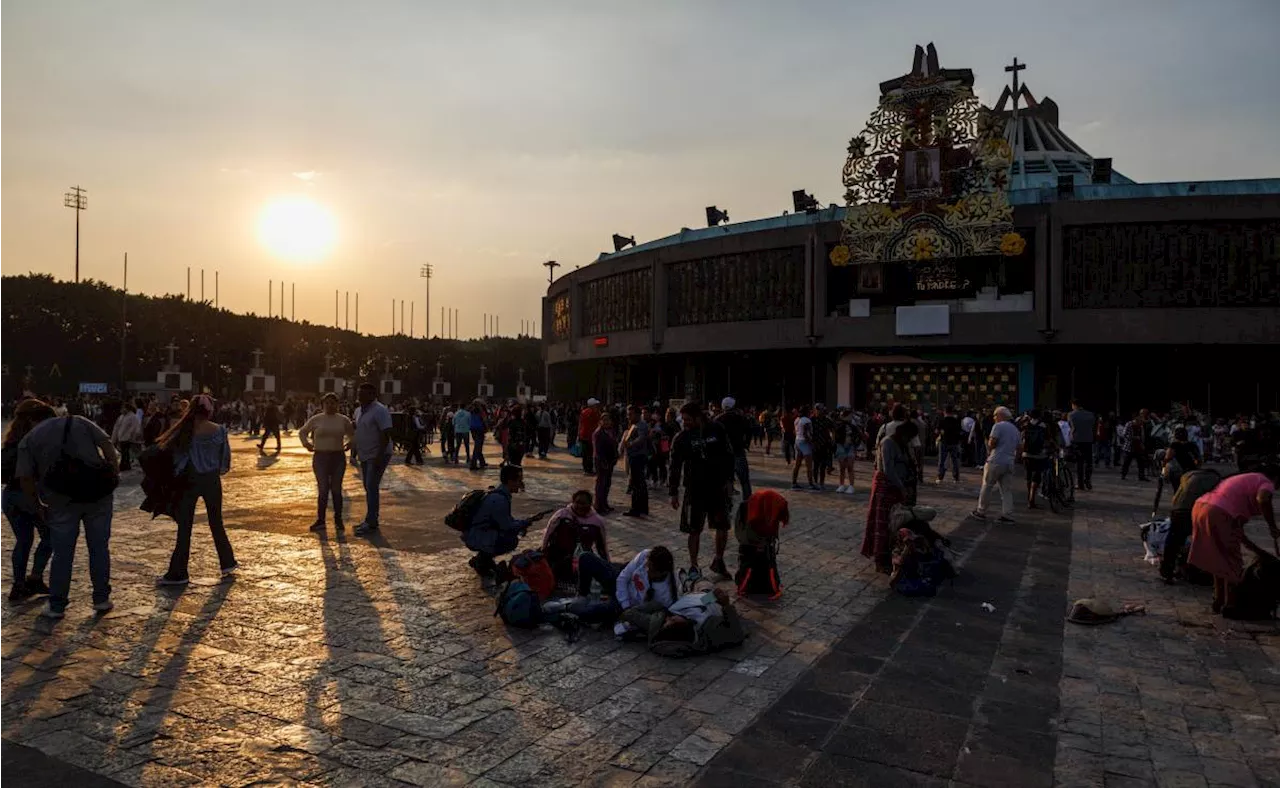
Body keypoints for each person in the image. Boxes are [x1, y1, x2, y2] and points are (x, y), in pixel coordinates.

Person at [16, 405, 119, 618]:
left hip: (60, 499)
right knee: (99, 548)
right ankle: (101, 598)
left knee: (62, 554)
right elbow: (107, 445)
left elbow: (25, 477)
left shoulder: (30, 438)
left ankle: (57, 605)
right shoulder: (80, 421)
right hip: (97, 494)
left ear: (32, 420)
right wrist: (111, 473)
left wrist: (37, 506)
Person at [154, 394, 237, 586]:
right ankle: (227, 562)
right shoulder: (220, 431)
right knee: (216, 522)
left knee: (185, 527)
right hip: (212, 480)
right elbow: (225, 460)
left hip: (189, 480)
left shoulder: (185, 429)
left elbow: (176, 457)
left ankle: (179, 572)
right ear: (209, 411)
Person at [1188, 466, 1280, 615]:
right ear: (1276, 478)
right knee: (1232, 561)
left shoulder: (1246, 481)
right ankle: (1230, 605)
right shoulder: (1266, 482)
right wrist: (1272, 526)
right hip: (1219, 512)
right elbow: (1263, 499)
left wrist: (1259, 552)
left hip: (1201, 507)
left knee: (1218, 558)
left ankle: (1218, 600)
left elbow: (1238, 534)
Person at [668, 401, 735, 582]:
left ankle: (718, 560)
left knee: (722, 526)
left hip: (717, 488)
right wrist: (673, 492)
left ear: (699, 417)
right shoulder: (681, 438)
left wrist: (730, 481)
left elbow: (728, 456)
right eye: (684, 419)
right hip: (694, 490)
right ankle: (694, 564)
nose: (686, 422)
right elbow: (674, 467)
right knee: (693, 529)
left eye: (688, 419)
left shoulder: (717, 429)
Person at [2, 400, 55, 602]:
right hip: (30, 495)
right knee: (50, 536)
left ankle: (18, 585)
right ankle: (35, 577)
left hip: (10, 496)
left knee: (23, 541)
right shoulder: (34, 442)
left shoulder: (11, 440)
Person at [464, 464, 547, 578]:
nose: (521, 484)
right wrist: (526, 523)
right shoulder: (500, 500)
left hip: (477, 533)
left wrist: (527, 521)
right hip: (478, 536)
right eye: (519, 480)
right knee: (510, 540)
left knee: (510, 534)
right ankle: (483, 560)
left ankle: (483, 558)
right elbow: (507, 526)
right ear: (510, 481)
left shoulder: (498, 494)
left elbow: (506, 521)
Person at [862, 420, 918, 573]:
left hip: (898, 488)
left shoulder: (902, 445)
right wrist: (901, 487)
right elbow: (888, 469)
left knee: (895, 524)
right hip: (886, 488)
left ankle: (891, 555)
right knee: (882, 525)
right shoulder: (887, 443)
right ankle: (880, 560)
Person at [299, 393, 355, 532]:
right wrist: (306, 444)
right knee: (323, 489)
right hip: (320, 457)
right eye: (328, 403)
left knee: (336, 489)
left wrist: (350, 444)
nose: (330, 406)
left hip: (338, 457)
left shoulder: (343, 420)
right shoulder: (316, 419)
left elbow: (352, 434)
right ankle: (321, 520)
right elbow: (303, 431)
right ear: (323, 405)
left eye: (333, 403)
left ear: (338, 404)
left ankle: (338, 519)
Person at [541, 490, 612, 596]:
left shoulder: (597, 521)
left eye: (584, 503)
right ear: (573, 502)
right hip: (559, 557)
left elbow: (601, 547)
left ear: (590, 504)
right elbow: (548, 535)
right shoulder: (562, 515)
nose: (580, 506)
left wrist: (607, 566)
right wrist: (544, 551)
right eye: (577, 502)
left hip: (582, 560)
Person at [1162, 467, 1221, 584]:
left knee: (1174, 540)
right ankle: (1193, 568)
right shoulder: (1216, 480)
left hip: (1177, 508)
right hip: (1194, 510)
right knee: (1201, 541)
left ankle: (1167, 569)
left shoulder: (1188, 474)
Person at [613, 546, 680, 637]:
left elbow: (646, 612)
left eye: (651, 569)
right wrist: (625, 604)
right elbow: (622, 578)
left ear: (663, 573)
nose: (647, 570)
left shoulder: (665, 595)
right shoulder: (644, 556)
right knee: (590, 559)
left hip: (630, 608)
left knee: (595, 611)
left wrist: (629, 613)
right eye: (647, 565)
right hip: (622, 593)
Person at [354, 383, 393, 536]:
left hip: (377, 454)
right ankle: (371, 518)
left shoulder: (380, 410)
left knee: (371, 486)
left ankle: (371, 521)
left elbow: (386, 433)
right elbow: (359, 430)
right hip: (364, 454)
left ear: (372, 394)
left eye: (363, 394)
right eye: (359, 393)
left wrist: (378, 456)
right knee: (368, 486)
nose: (359, 396)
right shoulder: (358, 411)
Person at [973, 406, 1019, 523]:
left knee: (987, 486)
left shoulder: (998, 426)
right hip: (1009, 461)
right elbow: (1020, 446)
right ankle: (1008, 514)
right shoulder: (1015, 429)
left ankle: (981, 511)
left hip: (996, 460)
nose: (994, 418)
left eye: (995, 415)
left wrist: (989, 445)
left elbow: (992, 443)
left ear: (1000, 415)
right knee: (1006, 490)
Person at [714, 397, 753, 500]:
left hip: (723, 454)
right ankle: (748, 503)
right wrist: (746, 444)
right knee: (744, 480)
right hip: (738, 451)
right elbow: (749, 431)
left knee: (726, 480)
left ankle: (727, 502)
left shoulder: (718, 419)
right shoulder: (740, 418)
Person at [621, 405, 652, 516]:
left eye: (631, 414)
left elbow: (641, 438)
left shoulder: (641, 425)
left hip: (638, 456)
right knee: (639, 483)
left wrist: (629, 444)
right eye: (628, 414)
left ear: (638, 414)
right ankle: (641, 508)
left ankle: (637, 508)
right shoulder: (634, 424)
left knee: (637, 484)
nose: (628, 416)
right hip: (634, 455)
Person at [1021, 410, 1053, 509]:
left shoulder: (1025, 425)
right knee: (1037, 476)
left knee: (1028, 476)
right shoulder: (1043, 426)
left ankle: (1029, 498)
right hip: (1039, 455)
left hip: (1027, 454)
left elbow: (1022, 439)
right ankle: (1032, 498)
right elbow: (1048, 439)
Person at [592, 412, 620, 515]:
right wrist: (603, 462)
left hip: (610, 461)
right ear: (600, 422)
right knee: (601, 484)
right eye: (605, 420)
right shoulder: (598, 433)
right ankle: (599, 506)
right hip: (601, 462)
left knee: (607, 483)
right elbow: (598, 450)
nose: (607, 422)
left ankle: (604, 503)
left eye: (608, 420)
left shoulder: (610, 432)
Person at [1068, 400, 1096, 491]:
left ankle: (1080, 484)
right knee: (1088, 462)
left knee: (1079, 462)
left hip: (1077, 440)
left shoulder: (1071, 415)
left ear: (1074, 405)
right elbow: (1092, 426)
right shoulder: (1090, 414)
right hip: (1088, 440)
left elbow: (1071, 426)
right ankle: (1087, 480)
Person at [110, 405, 143, 472]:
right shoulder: (121, 417)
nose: (122, 410)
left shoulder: (132, 417)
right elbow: (116, 427)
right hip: (121, 437)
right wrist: (113, 438)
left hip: (127, 438)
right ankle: (126, 465)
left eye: (123, 408)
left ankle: (124, 465)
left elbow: (136, 427)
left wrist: (132, 436)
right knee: (124, 452)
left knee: (125, 452)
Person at [935, 405, 963, 484]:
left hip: (944, 442)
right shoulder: (956, 421)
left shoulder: (942, 420)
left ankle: (940, 477)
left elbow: (936, 431)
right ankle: (956, 478)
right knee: (955, 461)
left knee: (942, 460)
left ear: (945, 412)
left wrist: (941, 432)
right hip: (954, 443)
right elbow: (960, 432)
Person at [791, 406, 816, 490]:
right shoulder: (807, 420)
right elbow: (807, 433)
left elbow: (795, 431)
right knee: (809, 465)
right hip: (805, 443)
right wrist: (811, 443)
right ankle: (811, 484)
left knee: (797, 464)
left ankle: (794, 483)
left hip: (797, 441)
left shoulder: (797, 420)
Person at [578, 398, 602, 475]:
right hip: (590, 436)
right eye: (595, 405)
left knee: (585, 454)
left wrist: (578, 435)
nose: (597, 406)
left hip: (583, 435)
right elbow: (599, 422)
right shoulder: (595, 412)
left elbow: (580, 424)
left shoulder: (583, 412)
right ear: (592, 405)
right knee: (590, 454)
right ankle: (589, 469)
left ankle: (586, 469)